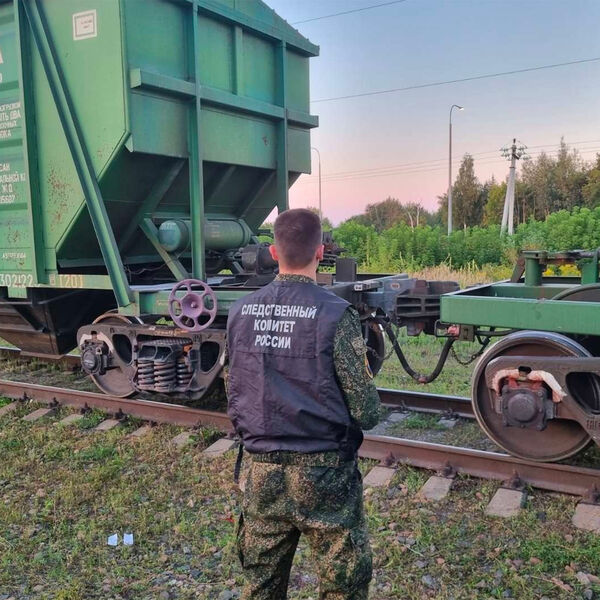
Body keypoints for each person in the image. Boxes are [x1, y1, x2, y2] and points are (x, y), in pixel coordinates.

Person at [226, 208, 381, 600]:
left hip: (260, 472)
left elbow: (235, 392)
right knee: (342, 586)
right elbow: (366, 411)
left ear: (273, 253)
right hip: (325, 474)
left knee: (261, 586)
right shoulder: (334, 314)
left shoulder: (240, 312)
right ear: (321, 251)